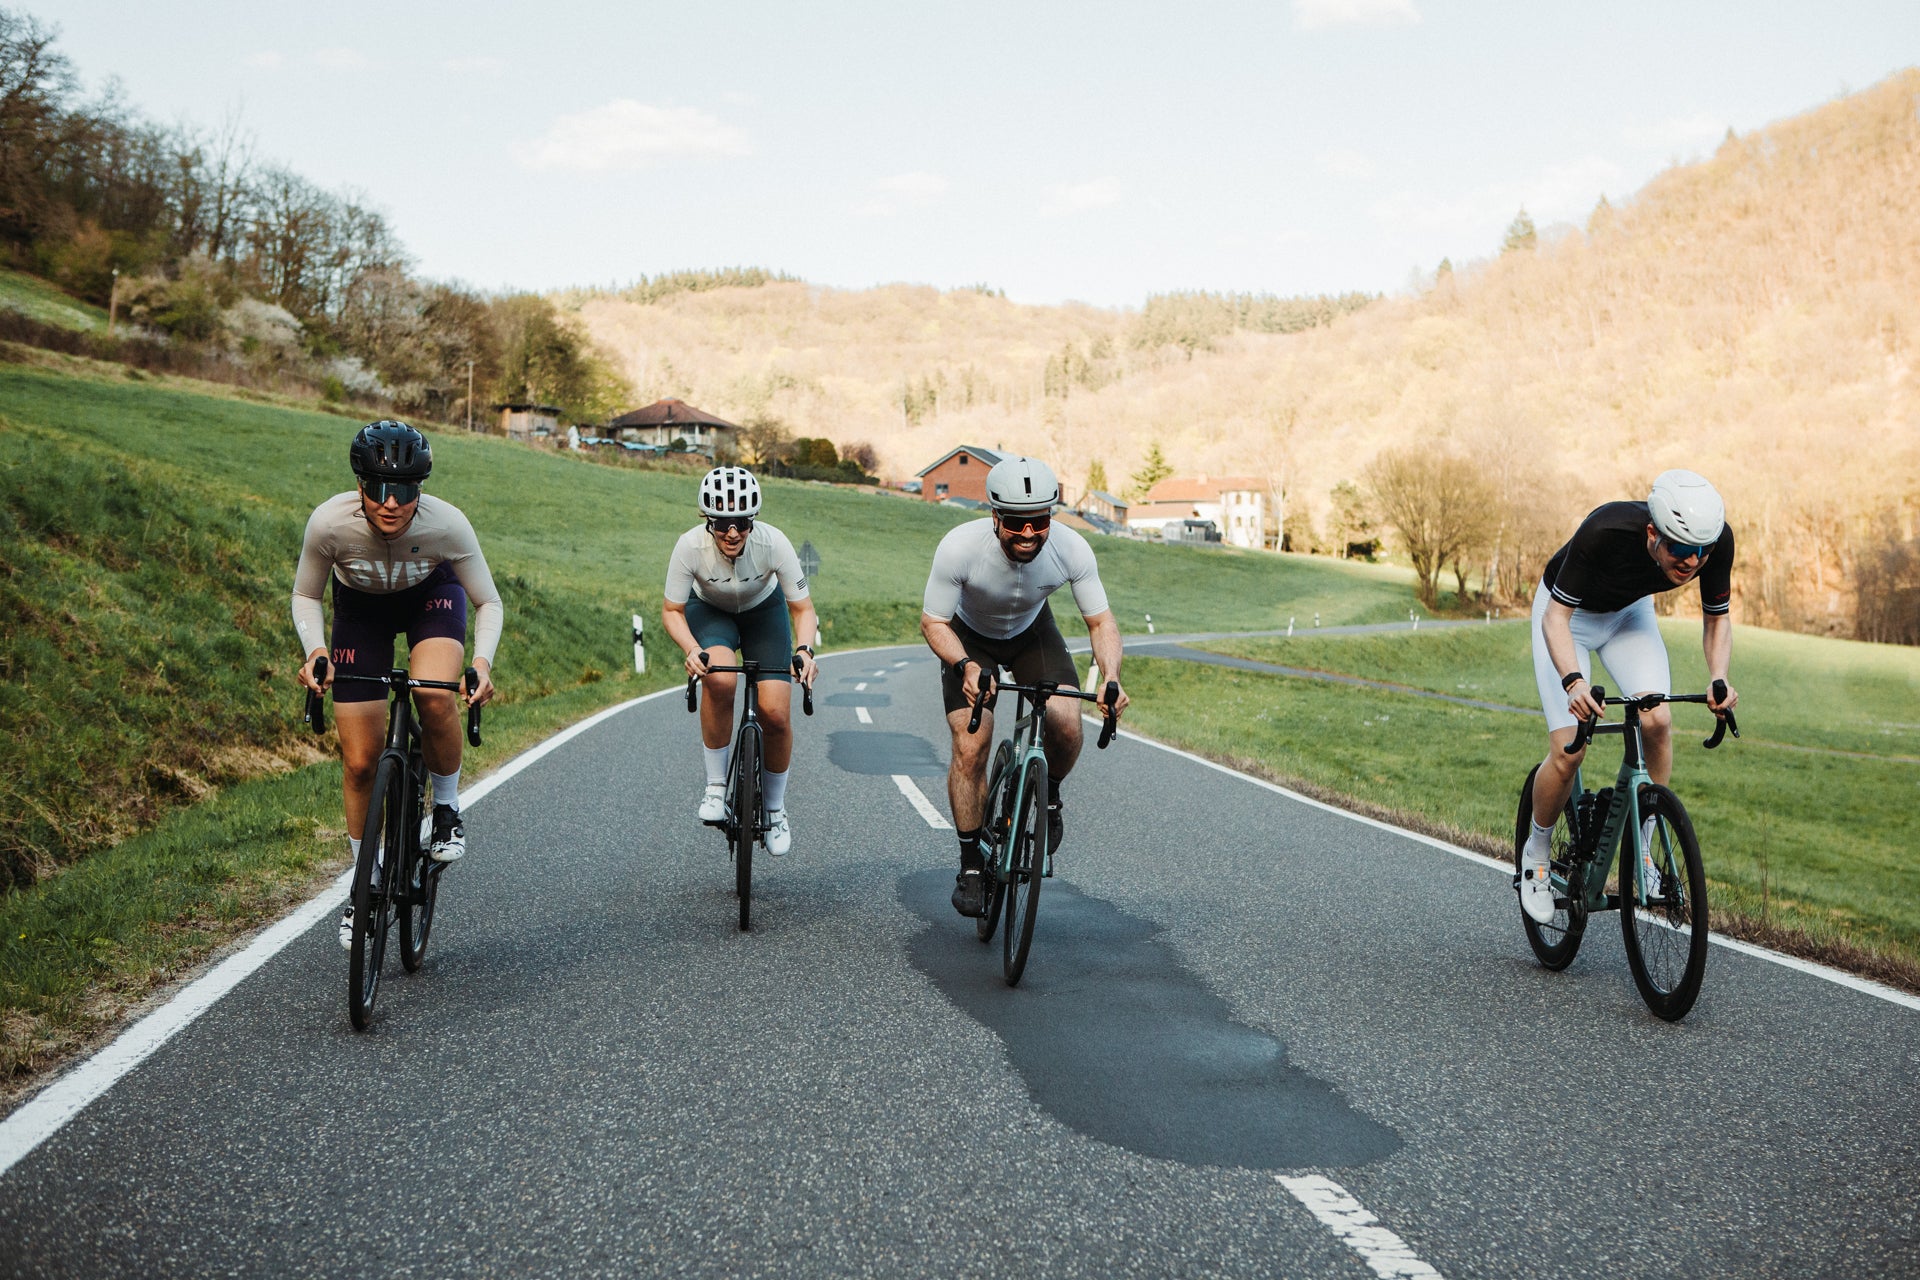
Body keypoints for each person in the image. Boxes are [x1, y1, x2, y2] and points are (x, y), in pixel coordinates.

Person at [292, 421, 502, 950]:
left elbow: (488, 601)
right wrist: (315, 652)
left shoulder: (447, 524)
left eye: (405, 491)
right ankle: (364, 883)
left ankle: (446, 810)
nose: (391, 503)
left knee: (433, 692)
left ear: (420, 489)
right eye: (379, 488)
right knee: (361, 762)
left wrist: (481, 663)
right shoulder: (329, 524)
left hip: (431, 598)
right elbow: (306, 595)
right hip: (360, 611)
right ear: (359, 484)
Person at [1518, 469, 1738, 922]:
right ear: (1653, 534)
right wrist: (1574, 682)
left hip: (1628, 616)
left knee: (1657, 721)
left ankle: (1644, 852)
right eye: (1679, 549)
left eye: (1701, 552)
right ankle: (1536, 854)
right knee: (1568, 749)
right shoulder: (1605, 530)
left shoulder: (1713, 541)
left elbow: (1717, 619)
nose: (1692, 561)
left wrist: (1719, 677)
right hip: (1567, 617)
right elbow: (1555, 619)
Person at [920, 455, 1129, 918]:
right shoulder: (959, 547)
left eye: (1040, 521)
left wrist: (1111, 678)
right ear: (995, 516)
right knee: (971, 744)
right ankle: (971, 864)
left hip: (1033, 633)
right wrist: (965, 666)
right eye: (1016, 522)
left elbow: (1101, 622)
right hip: (969, 639)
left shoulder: (1072, 549)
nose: (1029, 533)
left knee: (1067, 723)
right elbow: (933, 622)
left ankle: (1048, 794)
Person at [662, 466, 819, 856]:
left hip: (764, 612)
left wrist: (804, 651)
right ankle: (716, 787)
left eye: (742, 523)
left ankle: (776, 810)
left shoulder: (774, 543)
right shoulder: (689, 547)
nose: (732, 533)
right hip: (709, 611)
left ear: (753, 521)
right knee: (720, 680)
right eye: (722, 524)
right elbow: (671, 611)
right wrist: (691, 649)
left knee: (776, 713)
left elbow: (803, 609)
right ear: (708, 521)